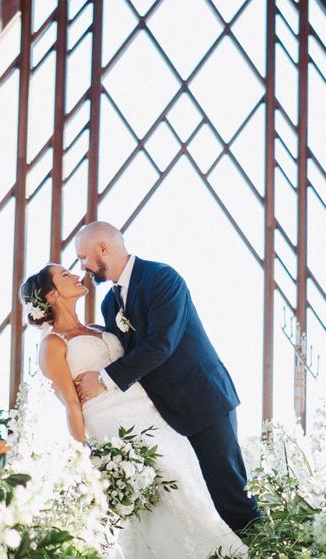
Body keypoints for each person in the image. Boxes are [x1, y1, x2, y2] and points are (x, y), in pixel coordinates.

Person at [20, 263, 237, 559]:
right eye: (64, 275)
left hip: (151, 418)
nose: (77, 275)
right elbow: (71, 405)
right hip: (112, 427)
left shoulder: (102, 324)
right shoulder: (52, 346)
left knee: (185, 486)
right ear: (51, 295)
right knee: (153, 502)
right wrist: (83, 456)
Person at [70, 221, 261, 532]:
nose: (83, 268)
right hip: (162, 415)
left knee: (230, 496)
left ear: (103, 248)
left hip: (203, 400)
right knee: (198, 499)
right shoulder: (109, 304)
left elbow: (162, 344)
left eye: (84, 257)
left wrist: (102, 378)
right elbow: (123, 351)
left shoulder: (162, 278)